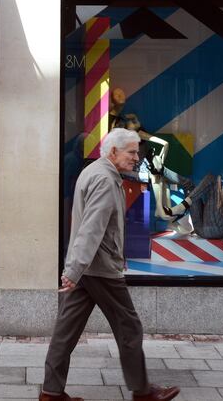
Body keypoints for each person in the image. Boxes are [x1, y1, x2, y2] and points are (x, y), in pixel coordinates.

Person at [39, 128, 180, 401]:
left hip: (86, 268)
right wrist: (74, 270)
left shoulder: (95, 172)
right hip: (100, 269)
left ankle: (50, 393)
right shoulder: (105, 180)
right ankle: (142, 392)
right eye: (131, 152)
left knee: (65, 333)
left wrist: (75, 270)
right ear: (113, 152)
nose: (136, 157)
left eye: (136, 152)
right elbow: (92, 229)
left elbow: (89, 226)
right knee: (130, 327)